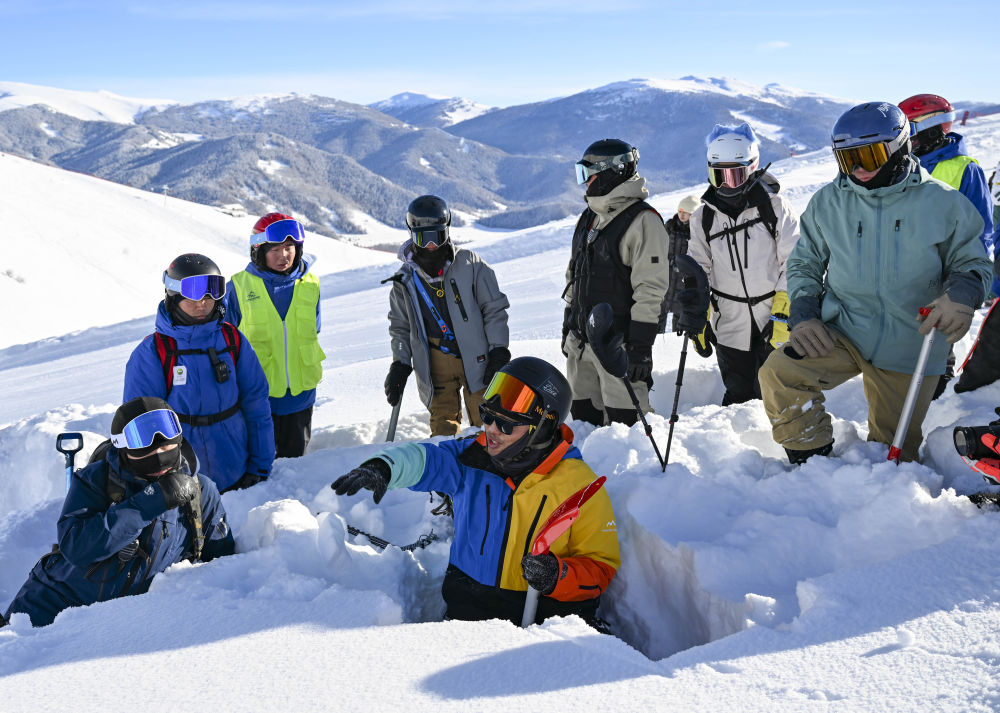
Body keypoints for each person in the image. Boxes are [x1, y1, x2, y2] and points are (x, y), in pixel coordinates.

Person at [758, 102, 992, 464]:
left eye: (870, 155)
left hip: (911, 340)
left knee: (893, 455)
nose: (860, 169)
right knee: (781, 373)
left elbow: (974, 262)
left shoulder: (943, 204)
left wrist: (960, 297)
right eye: (848, 159)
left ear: (900, 147)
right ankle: (810, 462)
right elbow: (804, 263)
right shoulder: (829, 203)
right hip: (845, 329)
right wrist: (804, 314)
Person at [331, 357, 620, 626]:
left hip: (540, 624)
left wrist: (558, 576)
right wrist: (386, 467)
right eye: (487, 416)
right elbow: (428, 460)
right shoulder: (472, 457)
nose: (491, 429)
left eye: (506, 423)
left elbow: (600, 568)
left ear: (544, 426)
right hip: (467, 606)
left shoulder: (579, 488)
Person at [2, 398, 235, 628]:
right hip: (51, 604)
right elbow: (76, 547)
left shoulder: (201, 492)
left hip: (121, 625)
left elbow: (221, 564)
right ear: (121, 446)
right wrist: (148, 503)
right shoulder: (97, 480)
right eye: (142, 442)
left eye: (166, 441)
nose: (159, 451)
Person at [124, 253, 275, 492]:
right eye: (192, 293)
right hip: (180, 479)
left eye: (211, 292)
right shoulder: (154, 352)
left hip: (237, 469)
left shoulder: (232, 339)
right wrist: (157, 483)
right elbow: (141, 424)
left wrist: (260, 465)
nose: (202, 302)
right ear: (173, 296)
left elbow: (256, 404)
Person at [686, 123, 800, 405]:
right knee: (738, 394)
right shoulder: (704, 217)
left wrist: (783, 312)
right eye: (718, 176)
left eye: (735, 175)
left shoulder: (773, 207)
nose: (726, 185)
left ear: (752, 167)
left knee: (776, 393)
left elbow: (795, 261)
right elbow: (699, 269)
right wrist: (697, 314)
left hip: (772, 320)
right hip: (729, 325)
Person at [562, 138, 670, 426]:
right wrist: (568, 324)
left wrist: (640, 348)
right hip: (581, 344)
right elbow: (575, 275)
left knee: (628, 427)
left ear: (613, 172)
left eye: (589, 175)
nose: (584, 184)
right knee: (583, 423)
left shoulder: (643, 222)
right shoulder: (588, 218)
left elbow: (651, 290)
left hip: (619, 347)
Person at [384, 195, 510, 436]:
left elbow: (494, 310)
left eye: (437, 237)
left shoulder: (471, 265)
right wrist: (400, 363)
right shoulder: (405, 280)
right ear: (412, 235)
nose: (431, 245)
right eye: (424, 238)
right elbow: (399, 327)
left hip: (477, 356)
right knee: (442, 428)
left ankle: (490, 465)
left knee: (487, 419)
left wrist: (498, 349)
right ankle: (449, 468)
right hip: (434, 360)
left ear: (447, 231)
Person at [899, 94, 997, 397]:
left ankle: (934, 401)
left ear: (932, 128)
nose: (905, 140)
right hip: (903, 276)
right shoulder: (903, 166)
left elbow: (981, 231)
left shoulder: (964, 169)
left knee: (934, 348)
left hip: (943, 279)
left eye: (909, 131)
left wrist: (966, 283)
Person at [224, 213, 323, 458]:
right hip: (258, 397)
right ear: (258, 251)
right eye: (275, 249)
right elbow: (224, 341)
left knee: (295, 467)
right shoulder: (238, 287)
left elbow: (315, 329)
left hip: (300, 397)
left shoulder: (311, 284)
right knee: (260, 467)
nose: (284, 256)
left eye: (289, 247)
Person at [663, 193, 701, 331]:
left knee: (680, 314)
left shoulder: (697, 232)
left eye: (686, 212)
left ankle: (675, 341)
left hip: (684, 280)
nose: (682, 215)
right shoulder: (670, 226)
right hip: (666, 276)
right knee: (659, 311)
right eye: (680, 211)